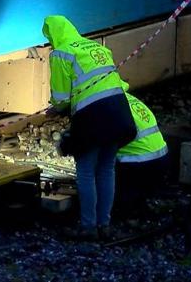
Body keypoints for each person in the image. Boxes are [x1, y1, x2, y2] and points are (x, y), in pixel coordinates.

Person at [42, 15, 136, 240]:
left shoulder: (61, 53)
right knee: (106, 169)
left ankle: (87, 227)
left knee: (85, 171)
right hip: (119, 110)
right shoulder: (97, 47)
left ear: (53, 35)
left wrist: (55, 109)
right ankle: (105, 225)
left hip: (92, 116)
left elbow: (61, 98)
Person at [114, 82, 169, 219]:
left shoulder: (107, 105)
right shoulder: (128, 98)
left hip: (137, 165)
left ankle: (123, 210)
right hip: (161, 159)